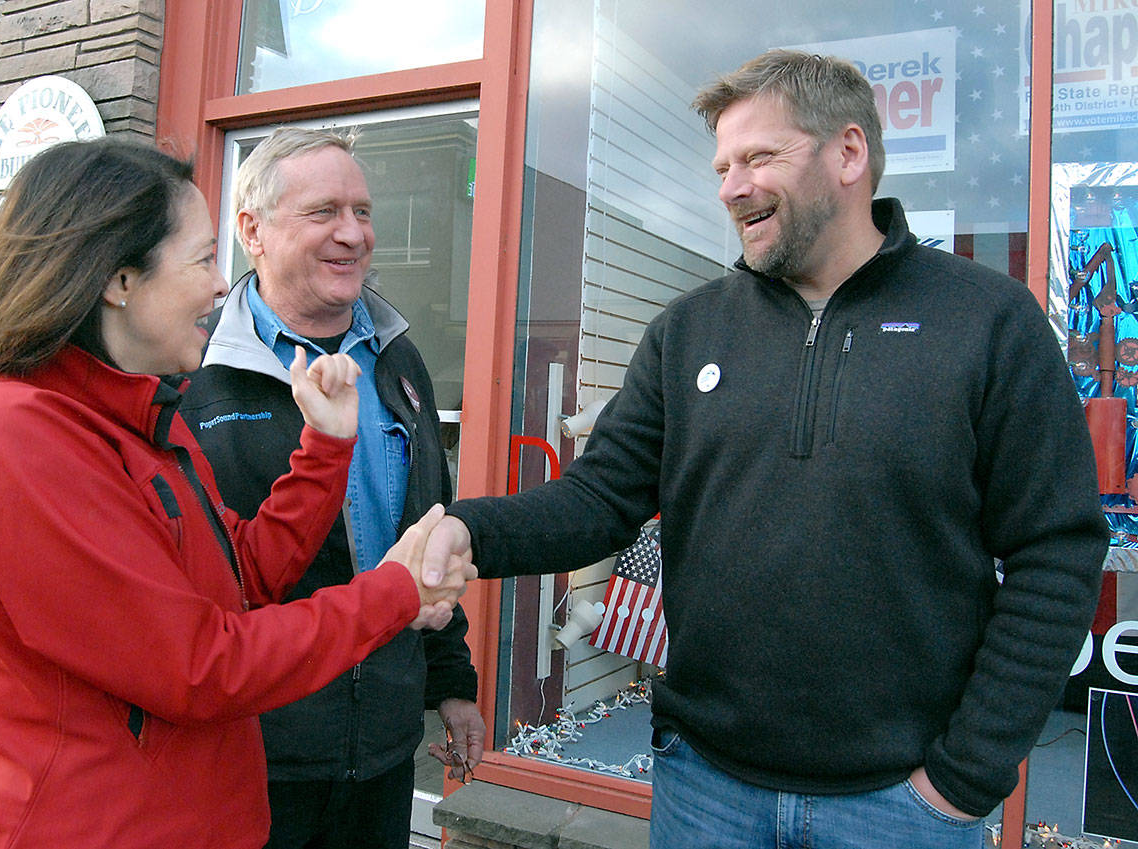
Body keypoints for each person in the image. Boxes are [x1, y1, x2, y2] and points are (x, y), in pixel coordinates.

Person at [421, 50, 1108, 849]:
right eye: (722, 165)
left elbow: (1055, 552)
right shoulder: (689, 331)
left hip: (902, 805)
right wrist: (467, 530)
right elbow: (596, 501)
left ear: (848, 153)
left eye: (758, 157)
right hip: (705, 786)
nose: (730, 186)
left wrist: (964, 777)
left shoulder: (987, 321)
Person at [0, 138, 472, 849]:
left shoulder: (130, 420)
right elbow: (201, 665)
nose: (218, 286)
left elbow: (243, 573)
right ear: (118, 278)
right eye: (204, 260)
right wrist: (395, 590)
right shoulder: (14, 440)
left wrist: (324, 450)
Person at [180, 127, 484, 849]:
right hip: (253, 754)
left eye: (364, 211)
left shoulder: (397, 358)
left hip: (382, 744)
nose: (354, 234)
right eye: (325, 212)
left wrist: (453, 683)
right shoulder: (190, 371)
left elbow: (426, 526)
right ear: (252, 230)